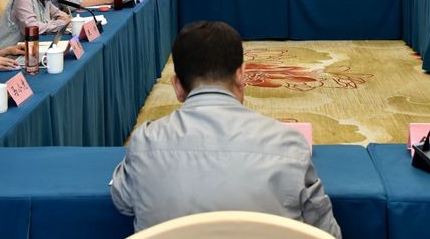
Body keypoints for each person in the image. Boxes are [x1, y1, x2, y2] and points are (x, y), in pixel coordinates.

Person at [110, 21, 341, 237]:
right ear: (241, 76)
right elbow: (326, 233)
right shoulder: (289, 144)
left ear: (177, 86)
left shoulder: (145, 142)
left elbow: (122, 200)